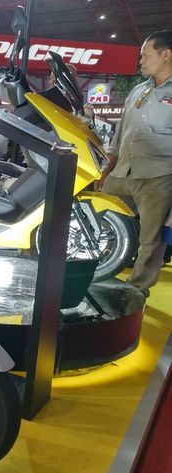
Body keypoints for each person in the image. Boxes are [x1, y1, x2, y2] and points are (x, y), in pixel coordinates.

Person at [96, 30, 172, 298]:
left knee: (150, 240)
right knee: (99, 220)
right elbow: (120, 134)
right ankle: (94, 274)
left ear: (166, 54)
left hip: (158, 176)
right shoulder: (139, 90)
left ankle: (137, 290)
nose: (141, 61)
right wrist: (106, 169)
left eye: (146, 55)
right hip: (121, 172)